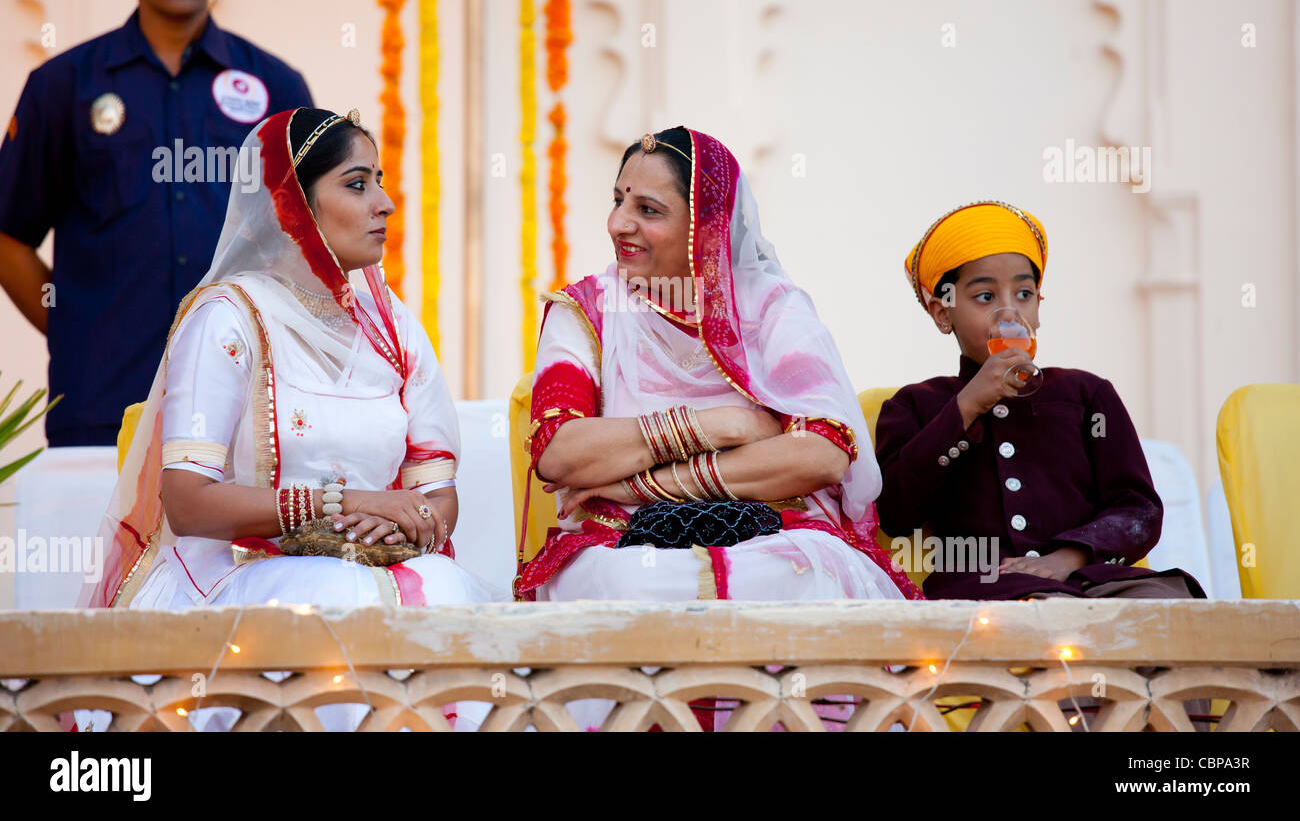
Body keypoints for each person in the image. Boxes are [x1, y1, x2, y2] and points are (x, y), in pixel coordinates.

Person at [78, 108, 498, 729]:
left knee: (447, 593)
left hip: (373, 566)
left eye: (380, 181)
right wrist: (341, 503)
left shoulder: (393, 325)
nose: (384, 203)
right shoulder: (228, 317)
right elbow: (189, 504)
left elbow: (433, 485)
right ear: (293, 202)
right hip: (238, 573)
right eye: (357, 185)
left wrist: (414, 522)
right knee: (342, 605)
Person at [516, 127, 921, 606]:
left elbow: (823, 453)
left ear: (704, 225)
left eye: (647, 210)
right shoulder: (587, 311)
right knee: (629, 585)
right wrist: (725, 425)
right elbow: (560, 452)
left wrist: (641, 483)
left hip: (775, 532)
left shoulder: (770, 307)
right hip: (623, 540)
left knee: (803, 578)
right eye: (618, 201)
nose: (618, 223)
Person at [0, 0, 312, 468]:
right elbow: (8, 234)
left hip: (244, 404)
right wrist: (75, 329)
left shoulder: (276, 87)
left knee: (242, 561)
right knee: (97, 562)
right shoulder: (64, 86)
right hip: (102, 404)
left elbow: (304, 240)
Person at [874, 200, 1205, 601]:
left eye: (1025, 293)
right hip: (985, 594)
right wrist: (966, 407)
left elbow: (1140, 510)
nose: (1009, 311)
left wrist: (1067, 558)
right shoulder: (915, 406)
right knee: (1037, 619)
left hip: (1099, 585)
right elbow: (894, 512)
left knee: (1172, 607)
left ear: (1039, 308)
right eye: (984, 296)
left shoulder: (1087, 395)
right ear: (943, 313)